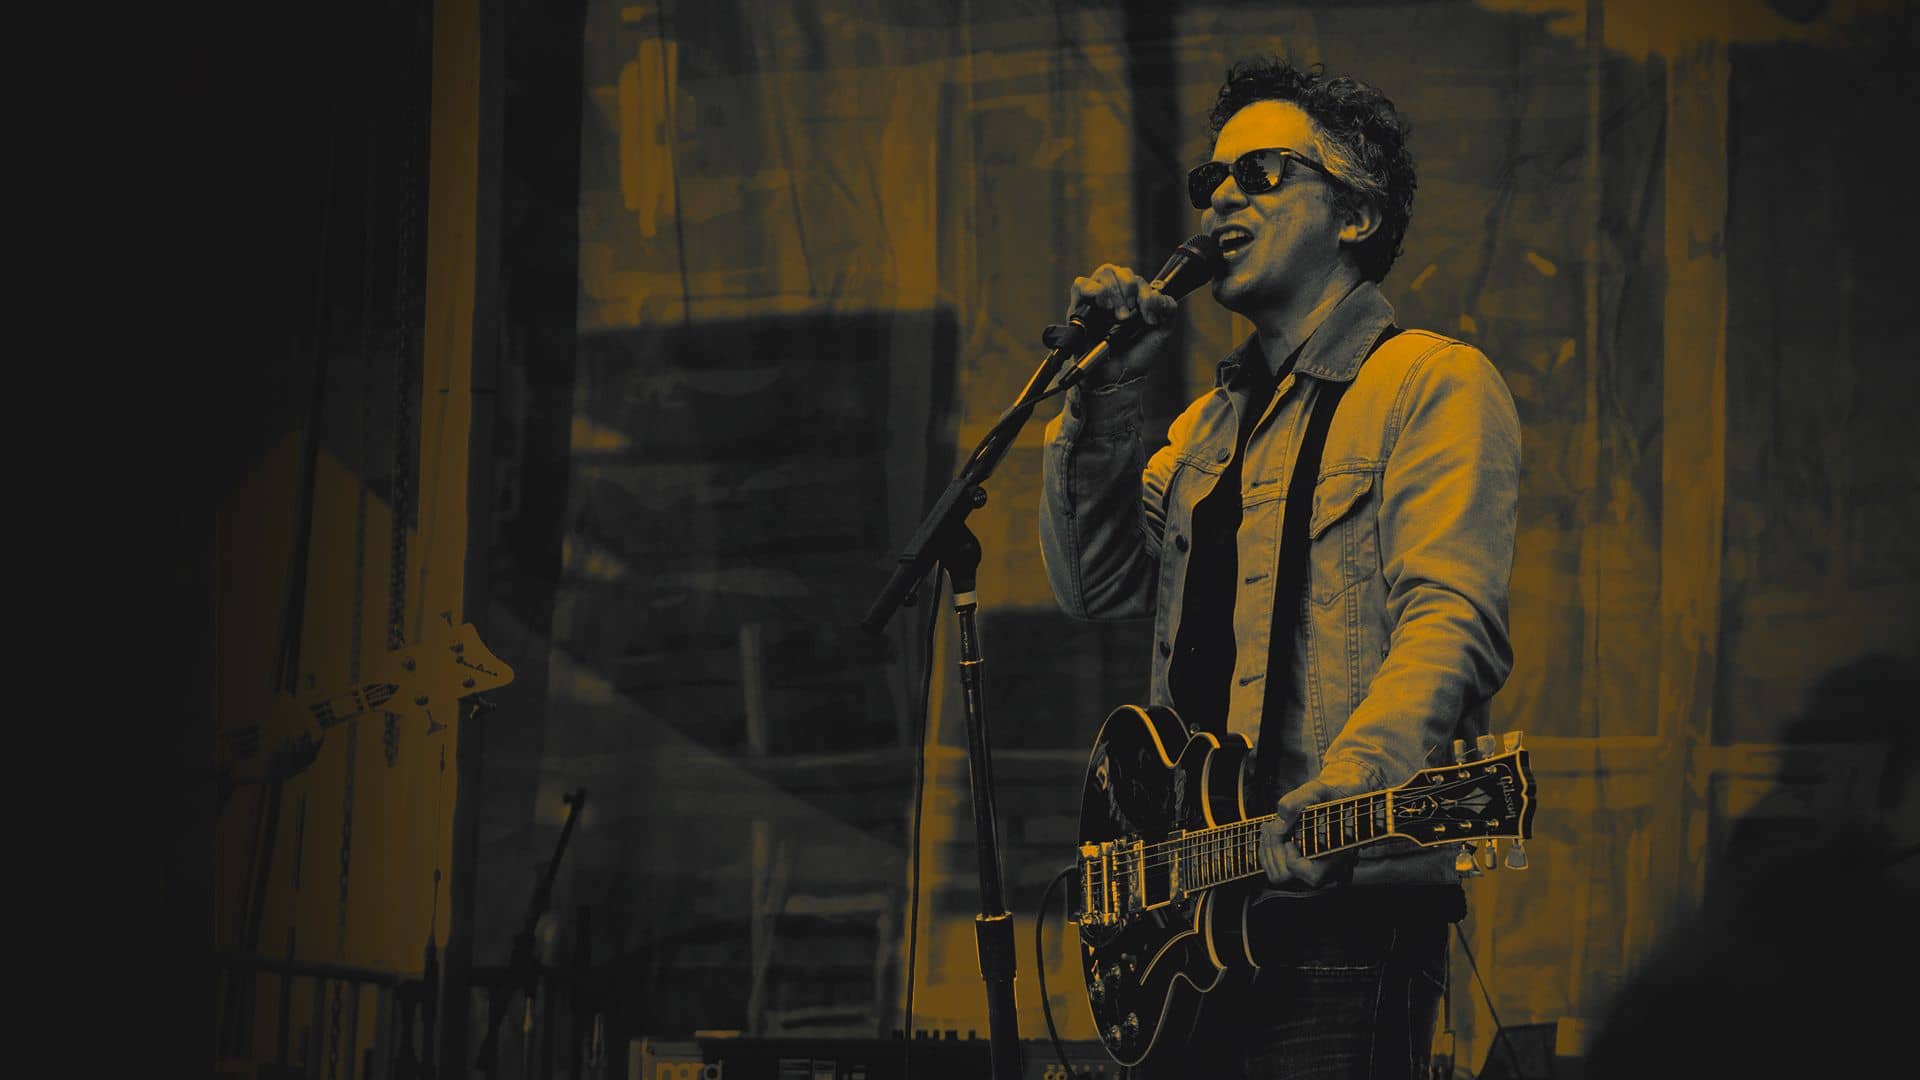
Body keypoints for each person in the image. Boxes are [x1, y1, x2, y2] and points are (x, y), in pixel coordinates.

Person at [1040, 57, 1521, 1078]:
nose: (1221, 197)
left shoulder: (1429, 385)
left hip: (1343, 919)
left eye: (1260, 172)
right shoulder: (1201, 435)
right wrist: (1103, 395)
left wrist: (1352, 784)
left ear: (1356, 214)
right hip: (1187, 928)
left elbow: (1451, 619)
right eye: (1208, 179)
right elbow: (1090, 585)